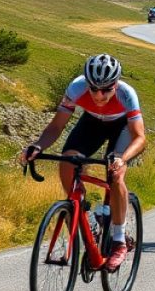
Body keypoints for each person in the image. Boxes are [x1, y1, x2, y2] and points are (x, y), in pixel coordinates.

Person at [19, 53, 145, 270]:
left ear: (116, 85)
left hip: (122, 127)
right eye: (94, 88)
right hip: (92, 123)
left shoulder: (126, 94)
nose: (99, 95)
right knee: (67, 162)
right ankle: (87, 217)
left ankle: (119, 241)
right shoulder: (76, 88)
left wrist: (122, 159)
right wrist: (38, 146)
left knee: (115, 174)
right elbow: (56, 126)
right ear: (87, 83)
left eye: (106, 89)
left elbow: (140, 137)